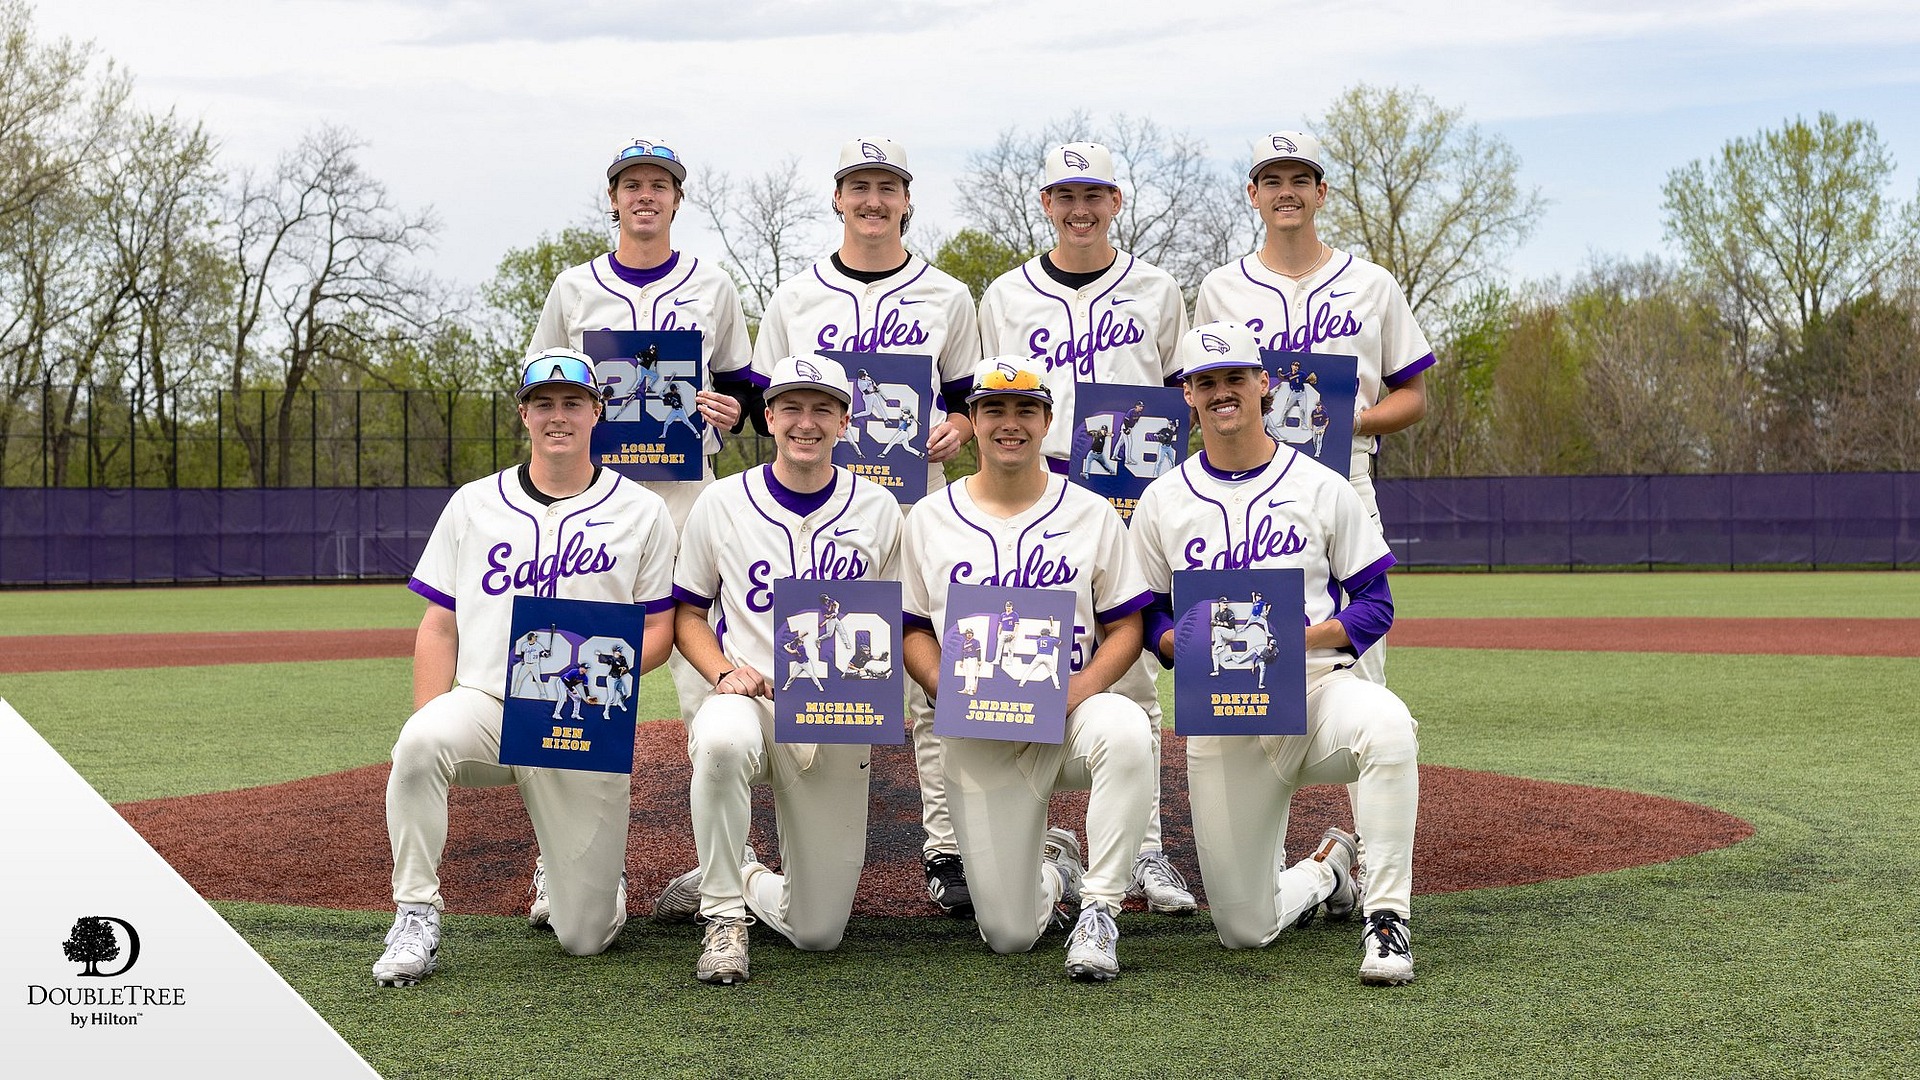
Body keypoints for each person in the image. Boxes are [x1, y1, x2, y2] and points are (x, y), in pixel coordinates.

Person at [373, 348, 678, 987]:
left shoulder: (642, 510)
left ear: (599, 411)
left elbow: (658, 630)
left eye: (572, 402)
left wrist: (605, 682)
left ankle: (583, 872)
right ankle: (415, 911)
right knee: (421, 742)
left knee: (584, 938)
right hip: (488, 700)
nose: (557, 415)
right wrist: (432, 718)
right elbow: (438, 624)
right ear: (524, 414)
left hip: (583, 714)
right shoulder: (474, 504)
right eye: (544, 403)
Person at [1130, 322, 1421, 986]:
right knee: (1244, 929)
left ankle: (1387, 919)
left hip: (1316, 690)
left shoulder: (1321, 487)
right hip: (1224, 711)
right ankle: (1326, 869)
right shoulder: (1162, 501)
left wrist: (1302, 638)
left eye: (1235, 378)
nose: (1222, 392)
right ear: (1188, 396)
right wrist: (1174, 641)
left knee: (1388, 727)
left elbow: (1376, 605)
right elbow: (1146, 609)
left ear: (1264, 385)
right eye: (1207, 382)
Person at [524, 138, 756, 927]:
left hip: (692, 502)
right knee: (577, 684)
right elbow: (547, 388)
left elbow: (744, 391)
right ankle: (563, 865)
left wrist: (729, 411)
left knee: (708, 692)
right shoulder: (573, 287)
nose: (646, 195)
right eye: (633, 185)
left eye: (660, 184)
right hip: (602, 508)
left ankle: (725, 865)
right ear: (613, 199)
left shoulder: (712, 284)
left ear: (677, 200)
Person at [751, 136, 983, 918]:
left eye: (887, 186)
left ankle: (946, 845)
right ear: (838, 198)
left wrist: (957, 428)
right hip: (825, 509)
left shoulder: (948, 296)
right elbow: (766, 403)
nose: (873, 200)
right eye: (859, 186)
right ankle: (795, 851)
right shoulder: (794, 297)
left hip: (919, 506)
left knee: (931, 679)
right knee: (818, 669)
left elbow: (965, 400)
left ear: (907, 200)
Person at [976, 142, 1199, 915]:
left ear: (1116, 201)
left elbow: (1187, 398)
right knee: (1018, 650)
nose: (1080, 209)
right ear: (1044, 204)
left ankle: (1147, 849)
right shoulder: (1006, 294)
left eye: (1094, 194)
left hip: (1130, 495)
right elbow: (991, 397)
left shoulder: (1159, 288)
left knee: (1130, 663)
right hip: (1033, 486)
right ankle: (1036, 840)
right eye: (1065, 195)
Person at [651, 354, 904, 985]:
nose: (806, 422)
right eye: (791, 406)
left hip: (836, 709)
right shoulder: (722, 501)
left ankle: (743, 876)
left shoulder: (878, 509)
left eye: (822, 408)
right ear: (769, 417)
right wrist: (720, 672)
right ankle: (723, 915)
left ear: (845, 422)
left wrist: (874, 683)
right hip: (753, 698)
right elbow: (687, 610)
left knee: (818, 933)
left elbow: (902, 618)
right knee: (719, 737)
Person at [900, 356, 1155, 981]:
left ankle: (1099, 908)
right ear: (974, 421)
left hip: (1070, 715)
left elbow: (1127, 625)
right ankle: (1052, 871)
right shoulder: (928, 518)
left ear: (1046, 422)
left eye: (1024, 411)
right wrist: (945, 684)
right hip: (978, 729)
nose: (1009, 423)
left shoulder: (1091, 512)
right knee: (1009, 936)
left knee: (1124, 728)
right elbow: (909, 628)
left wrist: (1085, 686)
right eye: (993, 410)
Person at [1193, 130, 1436, 687]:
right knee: (1248, 644)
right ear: (1251, 194)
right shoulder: (1221, 288)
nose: (1287, 192)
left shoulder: (1372, 283)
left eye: (1300, 180)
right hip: (1245, 486)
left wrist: (1355, 419)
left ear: (1321, 192)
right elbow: (1202, 395)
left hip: (1344, 477)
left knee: (1361, 657)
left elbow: (1413, 397)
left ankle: (1369, 763)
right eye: (1272, 181)